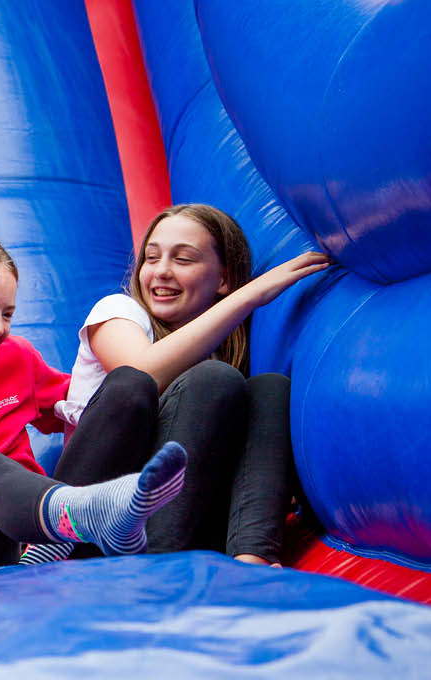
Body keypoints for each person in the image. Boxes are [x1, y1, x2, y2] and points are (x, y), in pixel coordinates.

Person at [0, 230, 189, 574]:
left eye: (7, 314)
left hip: (47, 537)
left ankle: (98, 530)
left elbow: (88, 409)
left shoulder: (14, 359)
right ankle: (74, 523)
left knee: (129, 383)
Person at [53, 203, 330, 565]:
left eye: (183, 260)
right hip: (97, 522)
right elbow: (140, 374)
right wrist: (250, 296)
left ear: (223, 279)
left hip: (189, 528)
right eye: (151, 258)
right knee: (213, 380)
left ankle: (252, 561)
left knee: (269, 389)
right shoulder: (118, 313)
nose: (161, 271)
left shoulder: (221, 361)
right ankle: (160, 568)